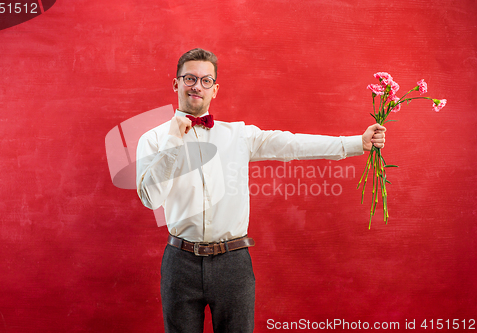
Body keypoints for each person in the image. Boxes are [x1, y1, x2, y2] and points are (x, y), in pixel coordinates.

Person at [136, 48, 386, 333]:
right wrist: (172, 141)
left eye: (206, 81)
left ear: (215, 89)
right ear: (176, 83)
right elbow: (150, 198)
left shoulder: (239, 136)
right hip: (180, 263)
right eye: (190, 78)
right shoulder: (153, 139)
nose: (197, 86)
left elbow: (292, 145)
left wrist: (357, 143)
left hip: (233, 261)